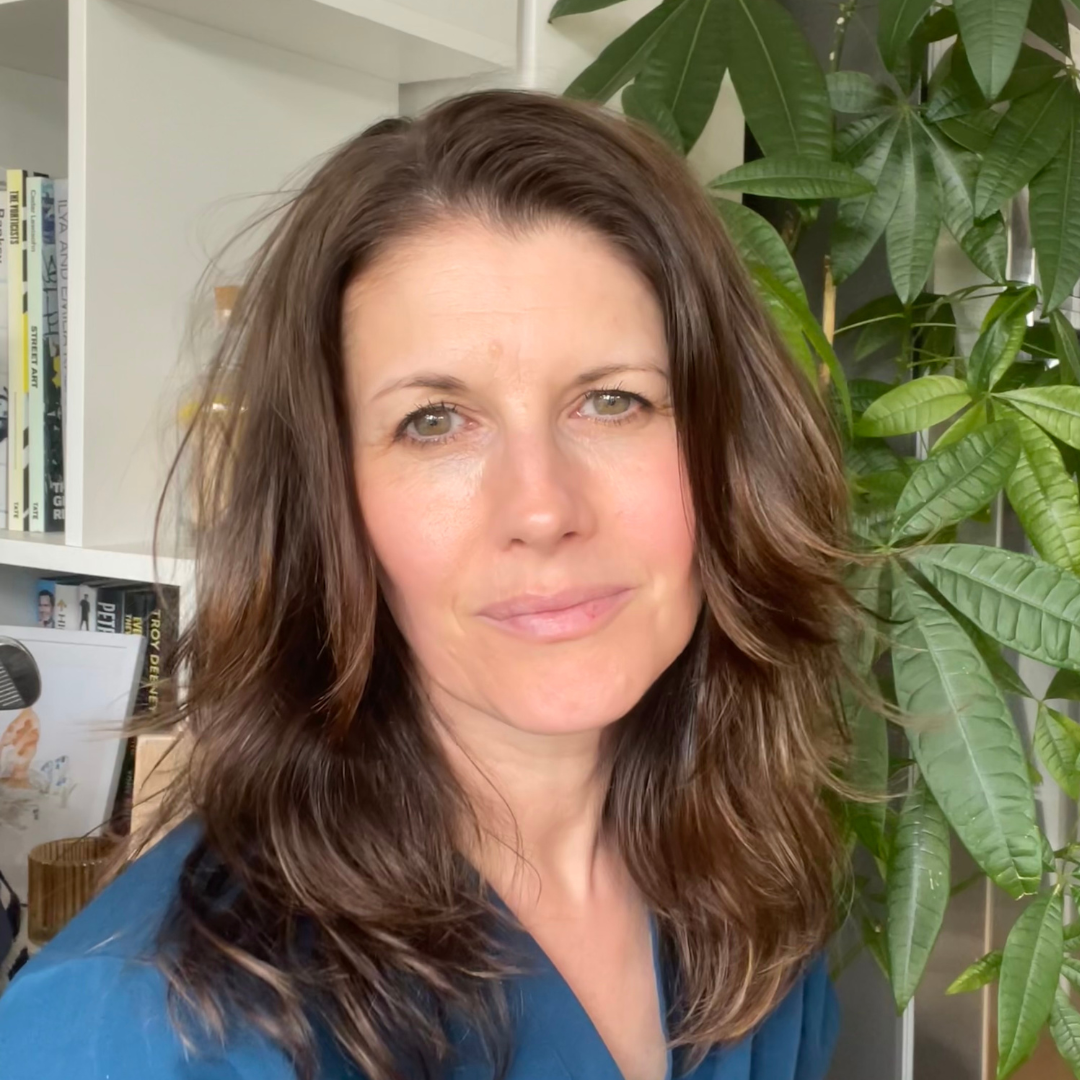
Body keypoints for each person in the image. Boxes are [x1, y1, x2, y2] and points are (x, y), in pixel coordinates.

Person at [0, 89, 859, 1080]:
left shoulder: (754, 887)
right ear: (333, 508)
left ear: (731, 455)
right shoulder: (138, 1031)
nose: (542, 508)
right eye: (434, 423)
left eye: (614, 401)